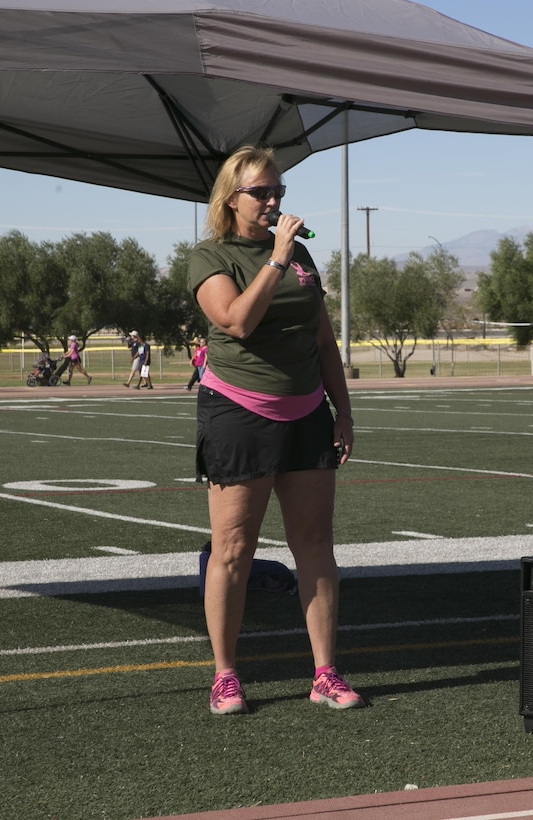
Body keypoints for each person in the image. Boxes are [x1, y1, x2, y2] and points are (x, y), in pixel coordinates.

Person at [188, 144, 362, 715]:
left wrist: (342, 409)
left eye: (278, 192)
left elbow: (321, 341)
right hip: (238, 412)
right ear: (231, 198)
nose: (272, 201)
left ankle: (326, 673)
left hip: (307, 410)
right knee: (233, 549)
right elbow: (236, 321)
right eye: (261, 192)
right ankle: (225, 675)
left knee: (315, 544)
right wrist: (277, 258)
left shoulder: (302, 256)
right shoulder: (211, 255)